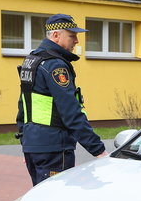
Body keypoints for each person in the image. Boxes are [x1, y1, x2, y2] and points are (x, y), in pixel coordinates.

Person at [16, 14, 107, 185]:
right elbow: (70, 111)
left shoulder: (32, 60)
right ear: (56, 36)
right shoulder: (55, 65)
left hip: (34, 146)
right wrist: (98, 150)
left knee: (41, 199)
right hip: (54, 147)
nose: (77, 41)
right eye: (72, 35)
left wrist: (26, 144)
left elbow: (24, 106)